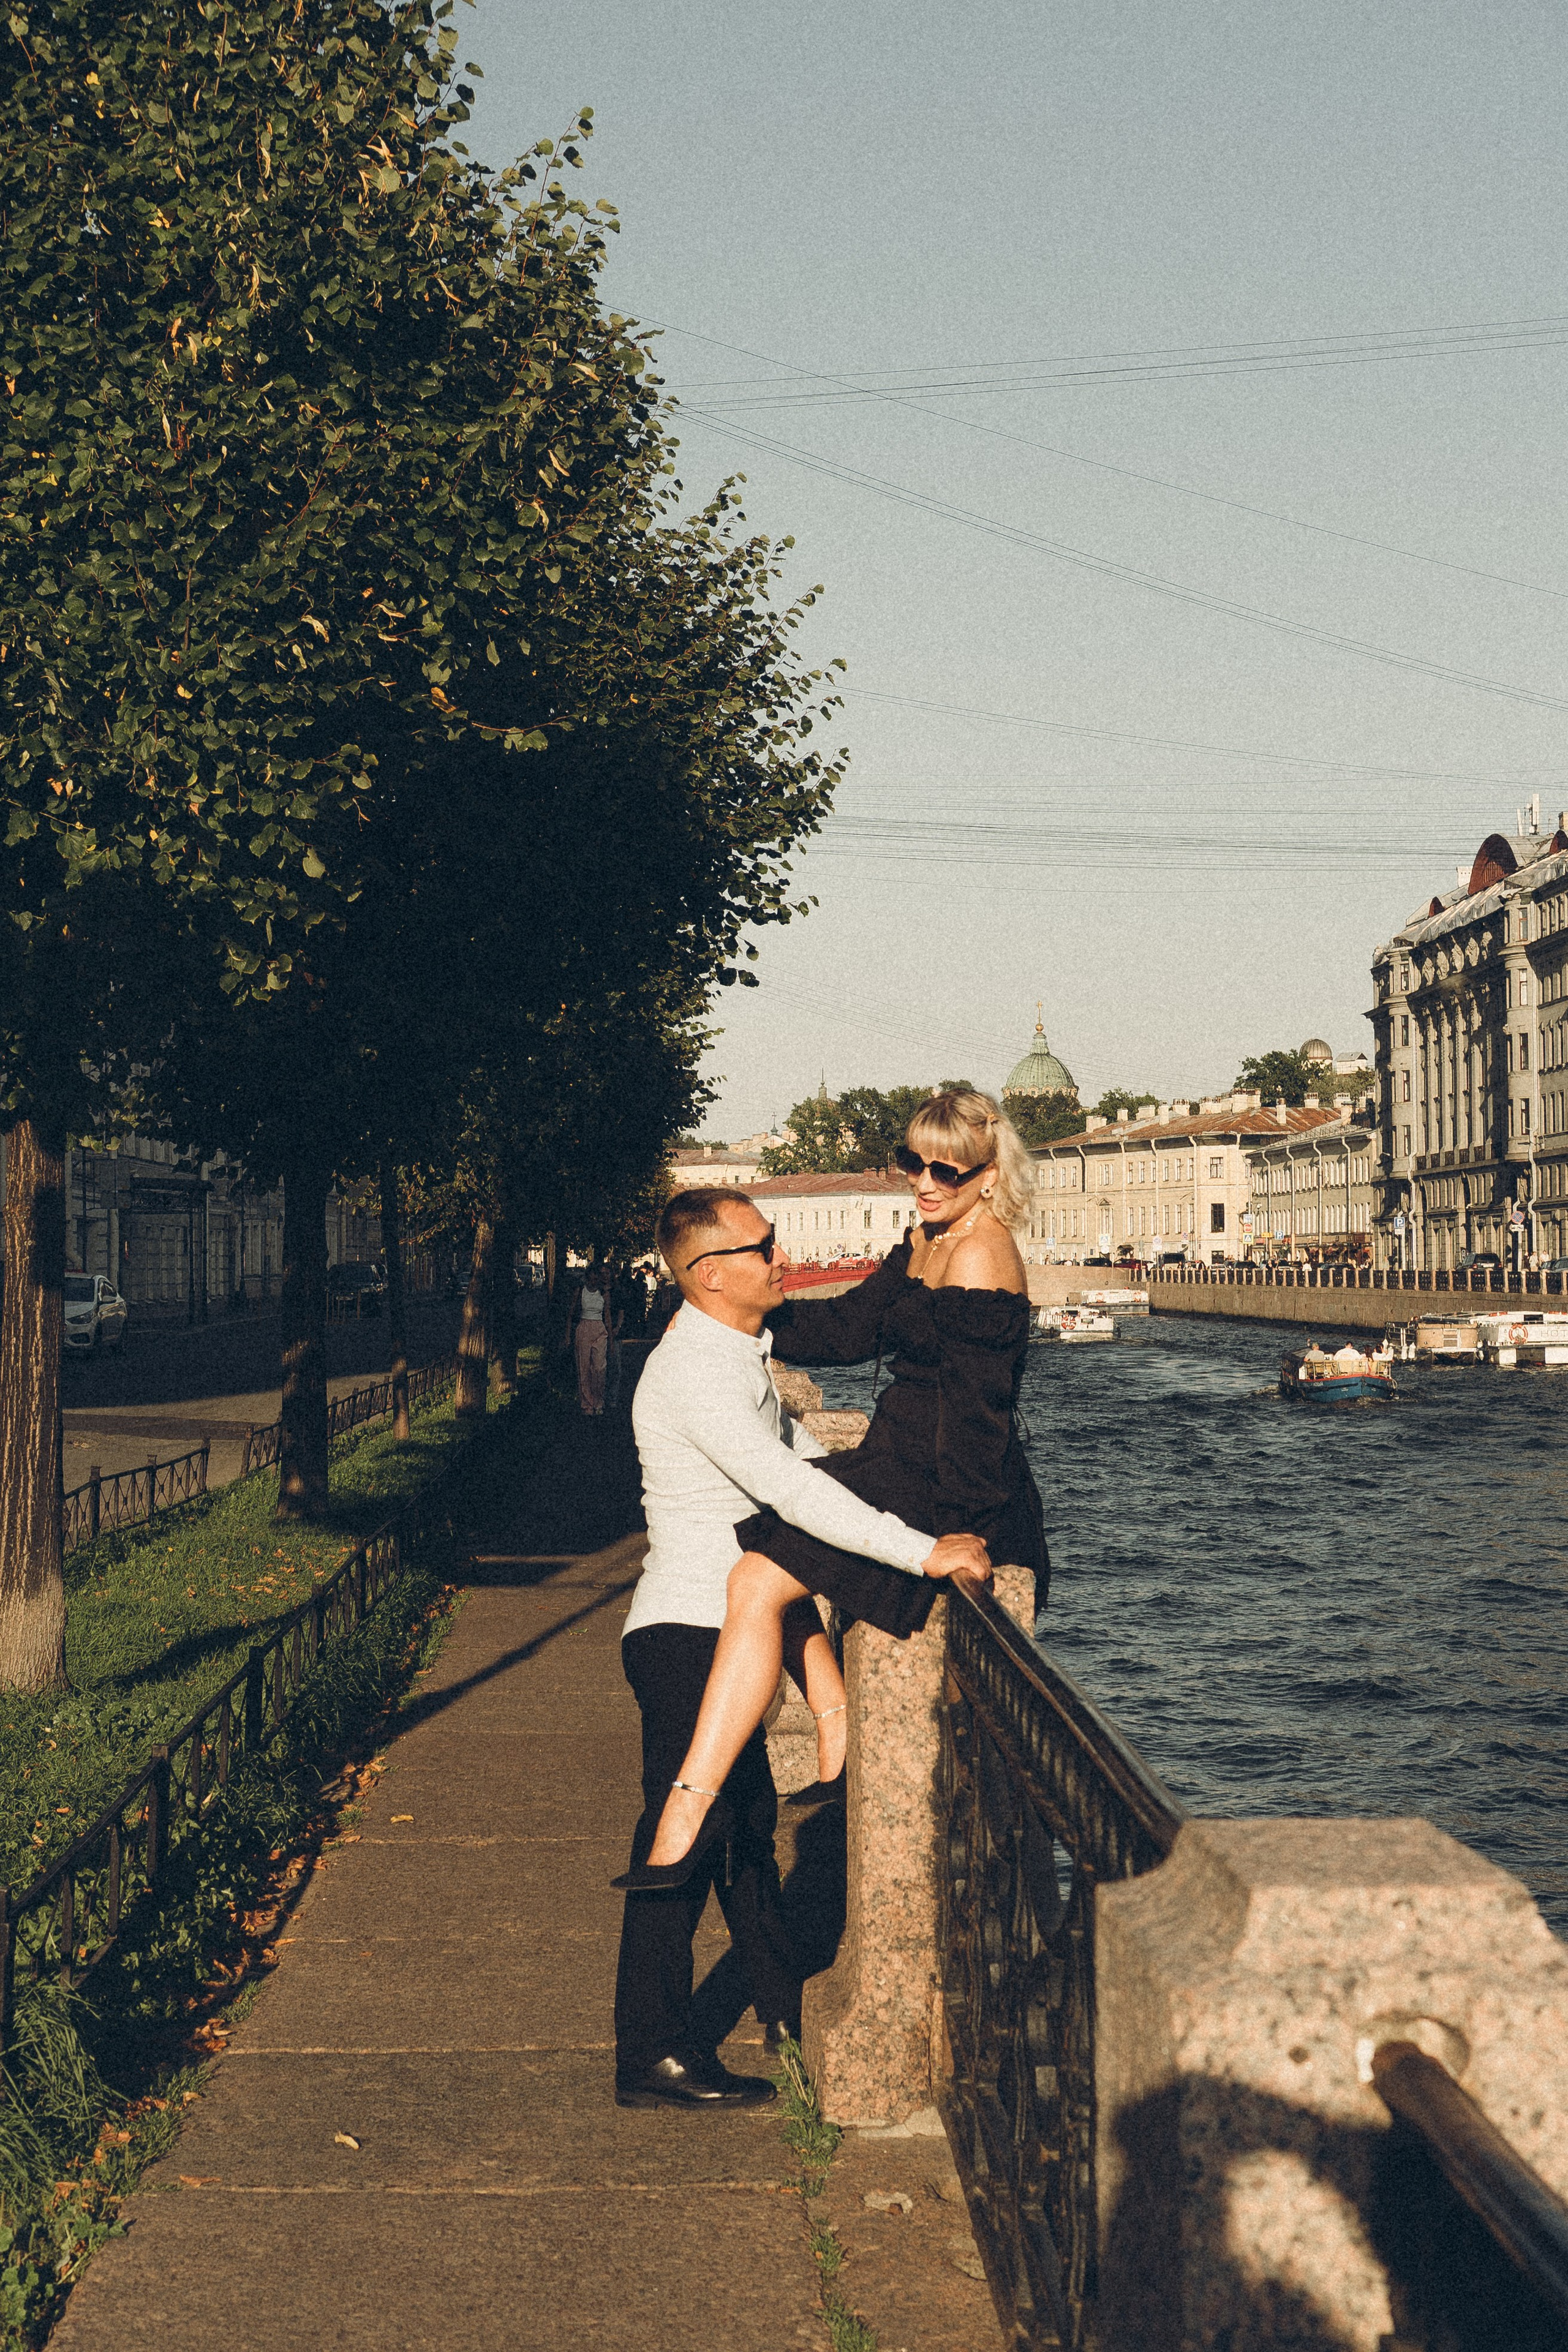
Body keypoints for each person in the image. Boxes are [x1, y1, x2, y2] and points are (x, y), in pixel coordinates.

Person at [612, 1184, 990, 2111]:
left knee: (738, 1835)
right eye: (762, 1246)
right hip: (688, 1631)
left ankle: (779, 2006)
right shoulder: (697, 1371)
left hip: (716, 1624)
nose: (782, 1257)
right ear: (708, 1276)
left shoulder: (738, 1349)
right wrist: (920, 1551)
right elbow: (792, 1493)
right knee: (685, 1837)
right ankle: (650, 2053)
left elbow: (814, 1469)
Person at [629, 1090, 1047, 1880]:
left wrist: (955, 1537)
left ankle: (694, 1802)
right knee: (763, 1555)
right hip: (895, 1454)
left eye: (945, 1169)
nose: (923, 1182)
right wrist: (722, 1313)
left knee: (760, 1574)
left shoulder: (983, 1254)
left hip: (943, 1477)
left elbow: (977, 1415)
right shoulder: (926, 1236)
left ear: (989, 1177)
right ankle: (828, 1741)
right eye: (911, 1162)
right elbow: (849, 1330)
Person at [571, 1261, 611, 1415]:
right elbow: (571, 1312)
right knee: (584, 1368)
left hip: (599, 1329)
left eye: (596, 1280)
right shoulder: (581, 1291)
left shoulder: (604, 1294)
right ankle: (587, 1403)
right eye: (591, 1279)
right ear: (587, 1278)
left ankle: (599, 1401)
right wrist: (568, 1334)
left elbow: (607, 1316)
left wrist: (611, 1338)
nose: (594, 1282)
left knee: (599, 1368)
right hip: (584, 1327)